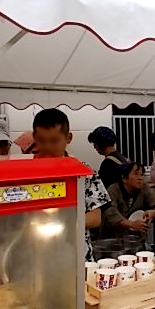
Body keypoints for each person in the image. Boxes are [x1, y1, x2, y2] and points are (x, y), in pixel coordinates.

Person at [32, 108, 110, 260]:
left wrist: (58, 222)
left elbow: (95, 218)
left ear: (68, 137)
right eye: (41, 140)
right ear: (34, 136)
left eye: (54, 140)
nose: (47, 147)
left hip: (76, 254)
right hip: (36, 255)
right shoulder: (25, 171)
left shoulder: (84, 172)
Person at [103, 162, 155, 238]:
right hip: (113, 237)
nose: (140, 178)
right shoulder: (113, 189)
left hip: (136, 238)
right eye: (136, 174)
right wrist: (130, 224)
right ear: (124, 179)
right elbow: (109, 211)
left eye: (142, 175)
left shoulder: (144, 188)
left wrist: (153, 213)